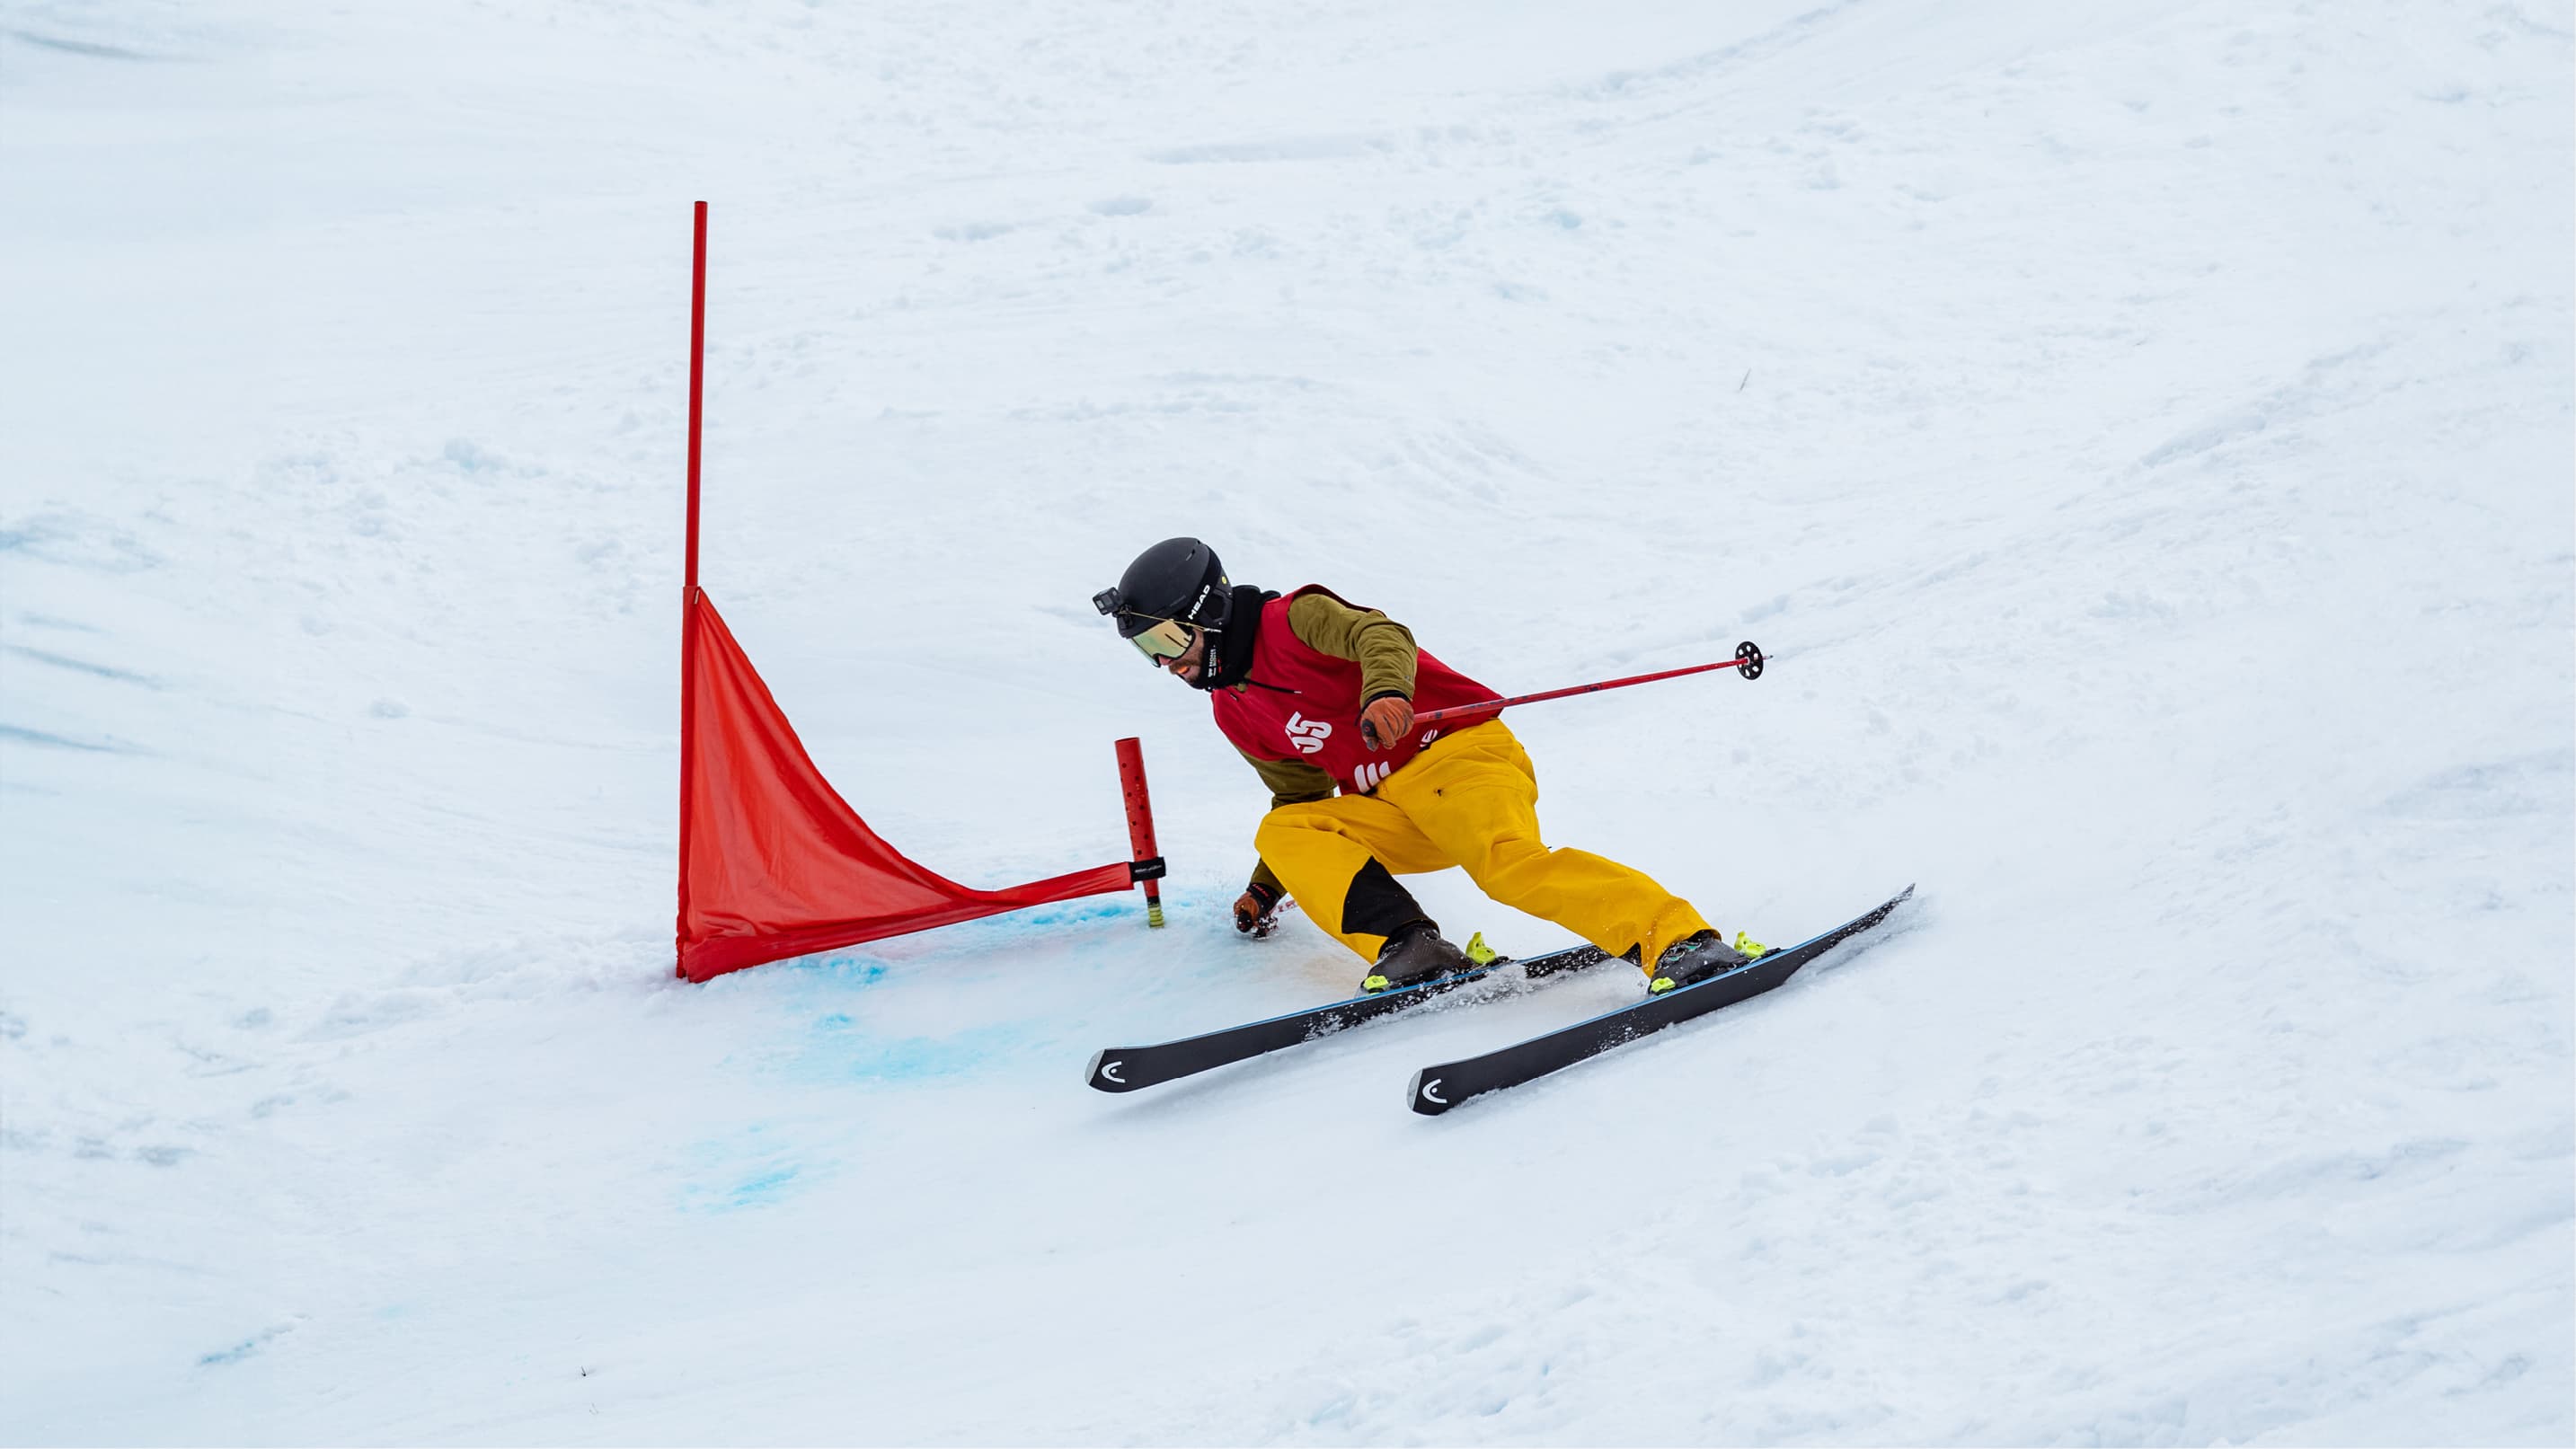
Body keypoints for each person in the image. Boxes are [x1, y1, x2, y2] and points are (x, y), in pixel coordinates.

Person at [1093, 536, 1766, 996]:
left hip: (1459, 755)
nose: (1167, 662)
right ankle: (1411, 946)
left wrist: (1386, 692)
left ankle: (1679, 942)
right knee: (1286, 831)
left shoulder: (1291, 619)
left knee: (1505, 865)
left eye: (1169, 638)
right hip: (1398, 805)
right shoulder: (1233, 710)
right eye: (1148, 650)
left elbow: (1378, 635)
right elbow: (1297, 801)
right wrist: (1267, 889)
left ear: (1207, 614)